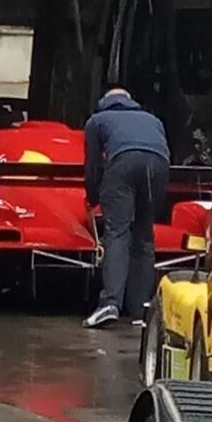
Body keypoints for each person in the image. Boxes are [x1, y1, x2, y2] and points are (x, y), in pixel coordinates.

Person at [83, 84, 171, 329]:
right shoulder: (153, 120)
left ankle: (109, 303)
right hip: (158, 165)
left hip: (122, 162)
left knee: (117, 232)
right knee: (144, 236)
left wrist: (93, 196)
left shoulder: (97, 120)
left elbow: (92, 166)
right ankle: (141, 310)